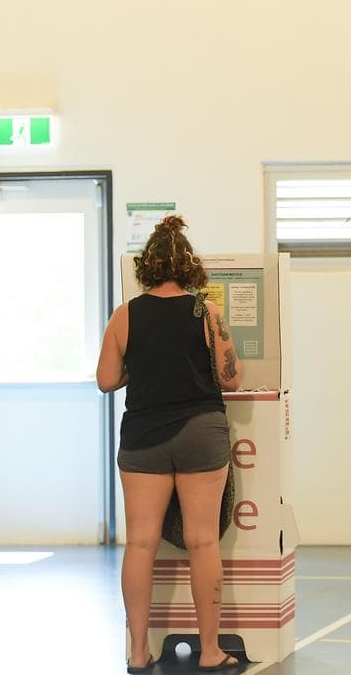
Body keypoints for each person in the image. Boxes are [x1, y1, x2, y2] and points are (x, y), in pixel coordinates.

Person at [97, 215, 242, 674]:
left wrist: (140, 368)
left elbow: (105, 380)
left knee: (141, 544)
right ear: (189, 266)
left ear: (148, 266)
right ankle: (211, 651)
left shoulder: (125, 315)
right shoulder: (207, 312)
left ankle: (139, 652)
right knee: (203, 541)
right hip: (201, 431)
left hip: (143, 437)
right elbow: (230, 377)